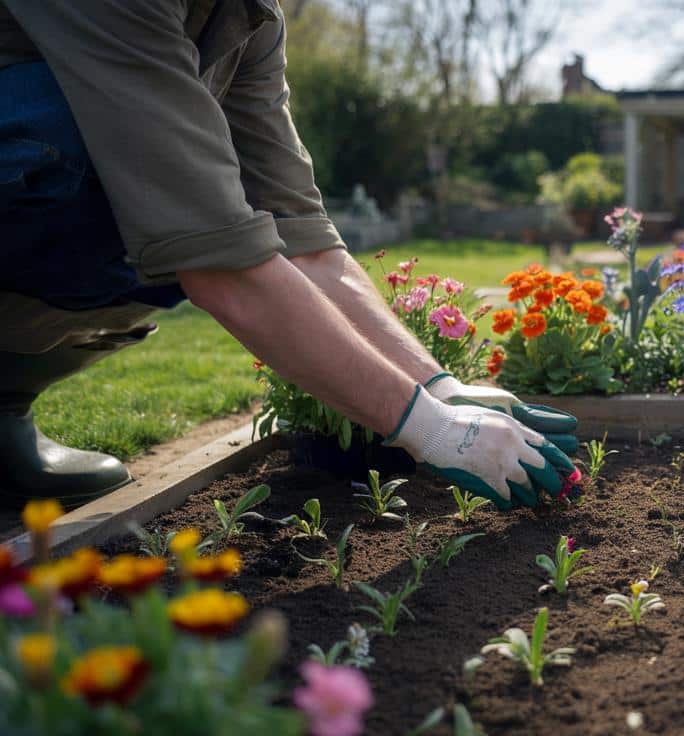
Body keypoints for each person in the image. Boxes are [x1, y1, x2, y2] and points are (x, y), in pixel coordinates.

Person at [0, 0, 577, 509]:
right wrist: (431, 431)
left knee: (189, 189)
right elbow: (218, 259)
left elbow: (304, 238)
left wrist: (440, 390)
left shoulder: (249, 16)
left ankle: (5, 406)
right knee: (137, 181)